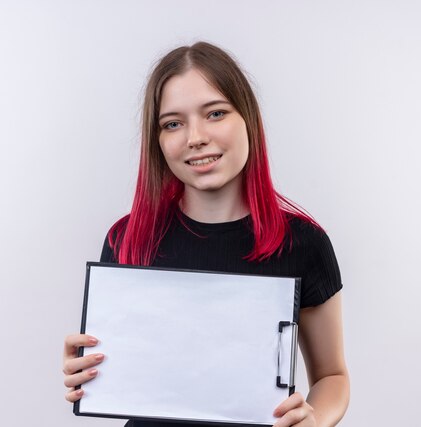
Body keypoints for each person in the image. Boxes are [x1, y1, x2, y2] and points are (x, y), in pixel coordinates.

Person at [62, 41, 349, 427]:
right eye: (173, 123)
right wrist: (87, 371)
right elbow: (126, 368)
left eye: (215, 113)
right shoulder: (128, 238)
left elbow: (332, 376)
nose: (195, 137)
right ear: (158, 140)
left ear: (248, 118)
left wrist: (314, 421)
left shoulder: (303, 243)